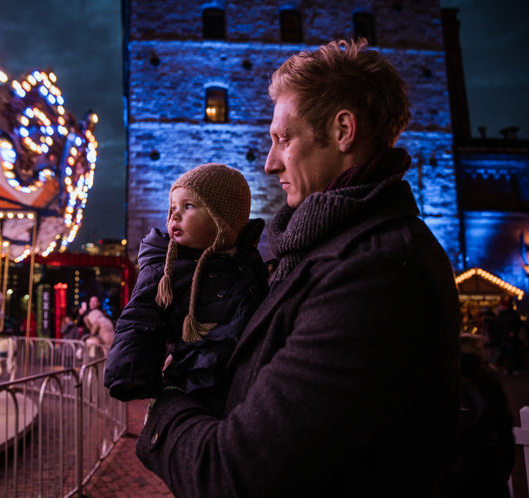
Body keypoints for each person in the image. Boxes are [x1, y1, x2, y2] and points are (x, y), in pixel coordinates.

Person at [135, 39, 462, 497]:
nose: (269, 164)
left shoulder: (377, 273)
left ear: (343, 130)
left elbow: (233, 474)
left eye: (283, 139)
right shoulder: (317, 252)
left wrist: (162, 408)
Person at [104, 163, 268, 415]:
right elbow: (140, 318)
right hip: (194, 381)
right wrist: (129, 372)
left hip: (245, 380)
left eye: (188, 206)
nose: (174, 216)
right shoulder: (164, 268)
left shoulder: (248, 261)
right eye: (172, 208)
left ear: (222, 218)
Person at [440, 333, 515, 498]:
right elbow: (503, 426)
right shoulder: (485, 377)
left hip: (453, 475)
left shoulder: (444, 378)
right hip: (487, 468)